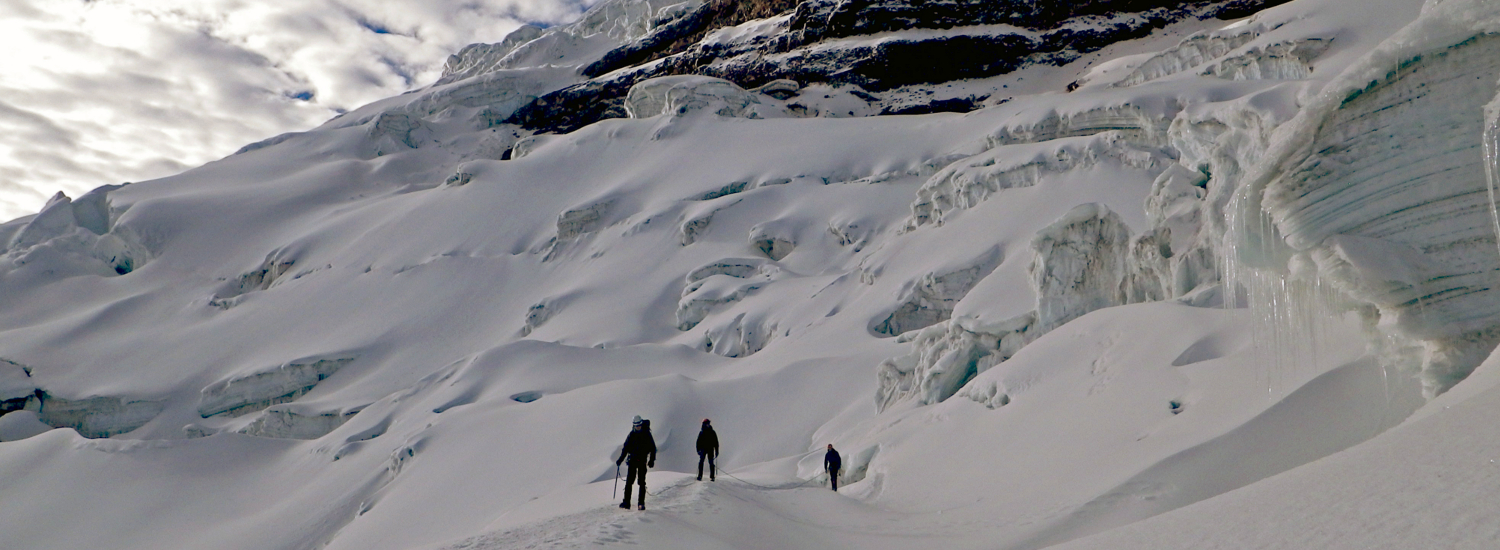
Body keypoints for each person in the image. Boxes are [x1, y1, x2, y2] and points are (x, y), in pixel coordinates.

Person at [616, 416, 656, 510]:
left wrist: (651, 460)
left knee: (641, 483)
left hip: (642, 461)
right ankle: (626, 503)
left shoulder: (646, 434)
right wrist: (620, 459)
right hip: (633, 461)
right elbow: (625, 448)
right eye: (636, 425)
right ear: (633, 425)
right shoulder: (631, 435)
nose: (638, 427)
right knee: (629, 482)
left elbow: (652, 448)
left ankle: (641, 504)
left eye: (639, 425)